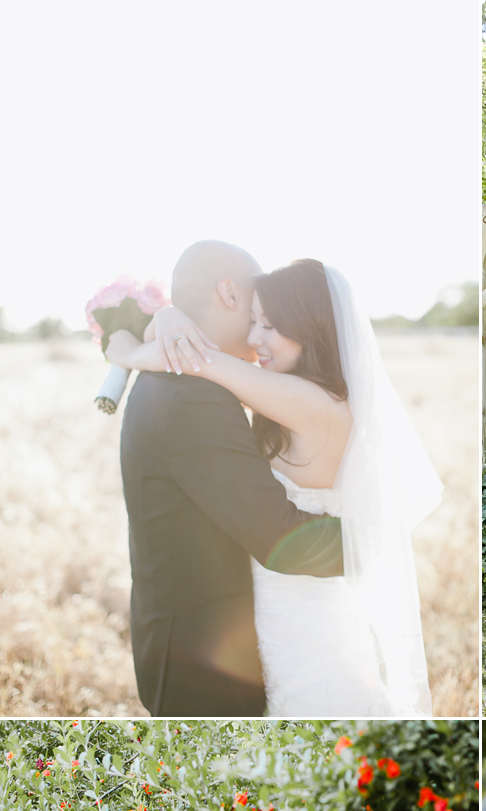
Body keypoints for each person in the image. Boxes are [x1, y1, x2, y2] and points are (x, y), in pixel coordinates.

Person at [110, 243, 442, 716]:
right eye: (255, 317)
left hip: (304, 624)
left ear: (309, 329)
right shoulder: (229, 394)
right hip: (246, 635)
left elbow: (199, 360)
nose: (255, 334)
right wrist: (162, 320)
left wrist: (134, 346)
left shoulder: (295, 399)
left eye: (271, 325)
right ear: (228, 291)